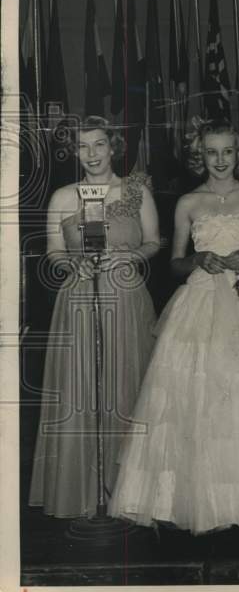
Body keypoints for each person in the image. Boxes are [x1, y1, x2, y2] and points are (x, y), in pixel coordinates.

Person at [110, 119, 239, 533]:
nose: (221, 160)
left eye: (228, 152)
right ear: (199, 156)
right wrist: (197, 261)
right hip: (201, 298)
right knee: (198, 395)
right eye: (211, 152)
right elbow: (174, 262)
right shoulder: (188, 202)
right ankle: (201, 499)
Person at [30, 117, 159, 518]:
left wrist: (130, 255)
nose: (92, 154)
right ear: (75, 152)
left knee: (127, 384)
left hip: (125, 296)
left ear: (113, 146)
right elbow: (54, 251)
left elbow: (155, 241)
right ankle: (85, 490)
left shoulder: (136, 189)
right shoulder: (63, 196)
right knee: (82, 389)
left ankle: (128, 492)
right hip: (79, 298)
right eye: (84, 146)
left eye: (99, 144)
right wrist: (72, 265)